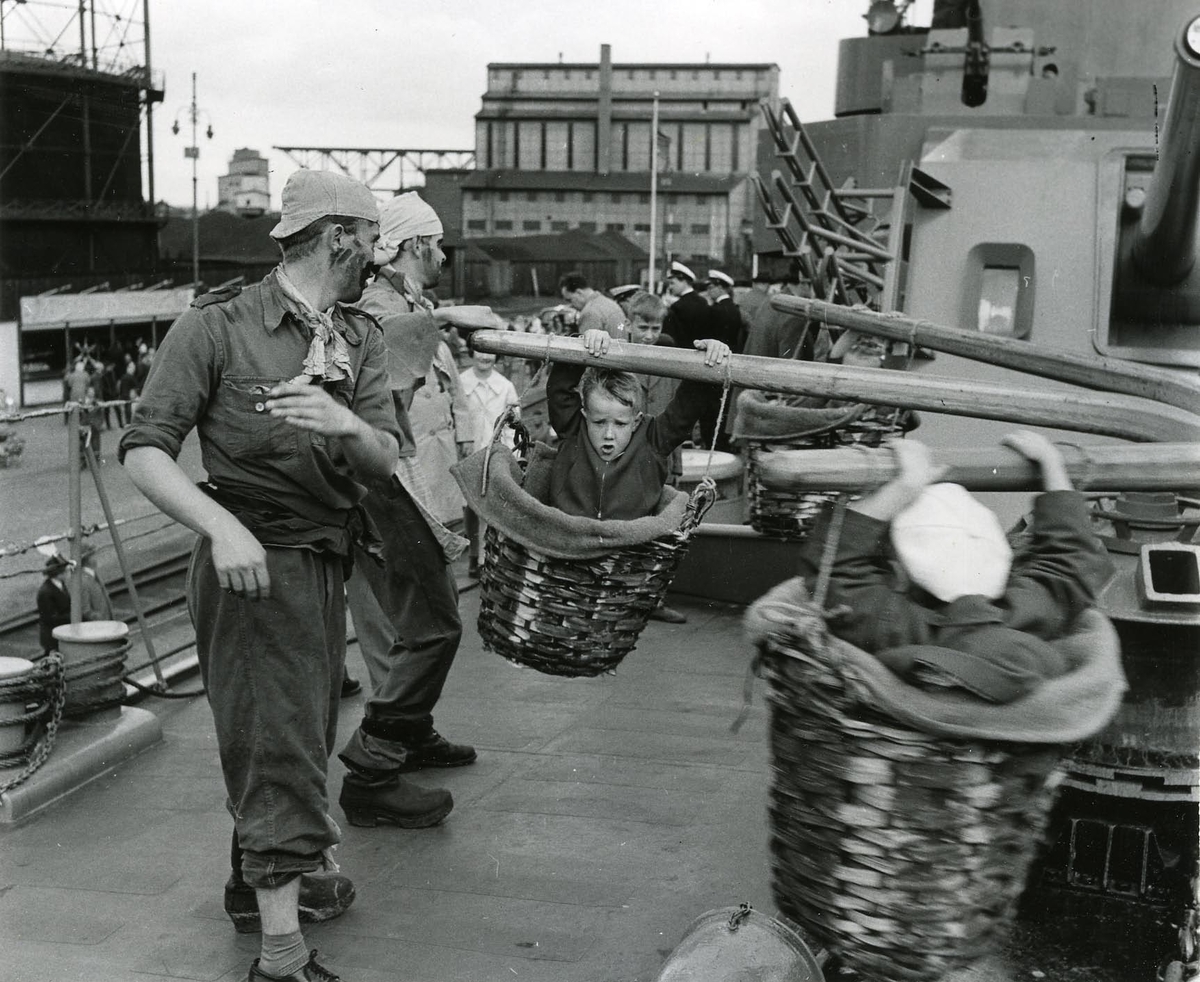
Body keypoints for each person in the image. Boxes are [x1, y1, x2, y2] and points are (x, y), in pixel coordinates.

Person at [120, 169, 401, 982]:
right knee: (275, 742)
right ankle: (280, 958)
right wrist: (221, 527)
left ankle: (258, 892)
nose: (377, 257)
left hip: (322, 559)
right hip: (250, 563)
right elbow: (144, 448)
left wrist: (346, 421)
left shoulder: (360, 337)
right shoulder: (217, 328)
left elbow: (383, 460)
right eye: (373, 239)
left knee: (302, 731)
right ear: (341, 236)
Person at [337, 191, 505, 832]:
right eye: (436, 245)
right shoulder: (383, 308)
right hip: (391, 497)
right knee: (413, 629)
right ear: (413, 246)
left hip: (420, 493)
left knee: (423, 624)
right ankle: (378, 765)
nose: (443, 256)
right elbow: (383, 376)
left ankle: (411, 734)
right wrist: (442, 319)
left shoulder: (408, 305)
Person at [780, 433, 1115, 702]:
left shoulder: (893, 625)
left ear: (900, 574)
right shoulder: (1033, 612)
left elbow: (833, 565)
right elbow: (1072, 559)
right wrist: (1051, 462)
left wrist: (905, 487)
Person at [546, 330, 730, 521]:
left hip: (628, 544)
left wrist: (710, 360)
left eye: (620, 424)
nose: (609, 434)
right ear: (585, 415)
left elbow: (686, 408)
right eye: (599, 422)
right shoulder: (574, 430)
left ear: (636, 421)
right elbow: (560, 390)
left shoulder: (652, 440)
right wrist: (583, 341)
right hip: (569, 539)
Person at [460, 349, 520, 577]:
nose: (484, 358)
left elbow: (514, 426)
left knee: (491, 506)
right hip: (468, 453)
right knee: (470, 507)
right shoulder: (462, 382)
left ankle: (490, 556)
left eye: (490, 354)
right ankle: (474, 555)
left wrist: (510, 458)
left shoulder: (505, 386)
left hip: (493, 455)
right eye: (480, 352)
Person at [662, 261, 725, 449]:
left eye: (672, 283)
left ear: (683, 281)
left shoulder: (678, 308)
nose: (670, 287)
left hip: (681, 364)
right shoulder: (704, 304)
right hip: (704, 362)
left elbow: (670, 339)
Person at [560, 271, 627, 339]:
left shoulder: (589, 312)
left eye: (570, 300)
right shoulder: (609, 303)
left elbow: (585, 347)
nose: (571, 305)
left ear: (579, 292)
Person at [701, 269, 746, 354]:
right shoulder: (733, 307)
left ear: (720, 287)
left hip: (716, 353)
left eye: (711, 287)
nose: (708, 291)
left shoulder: (716, 309)